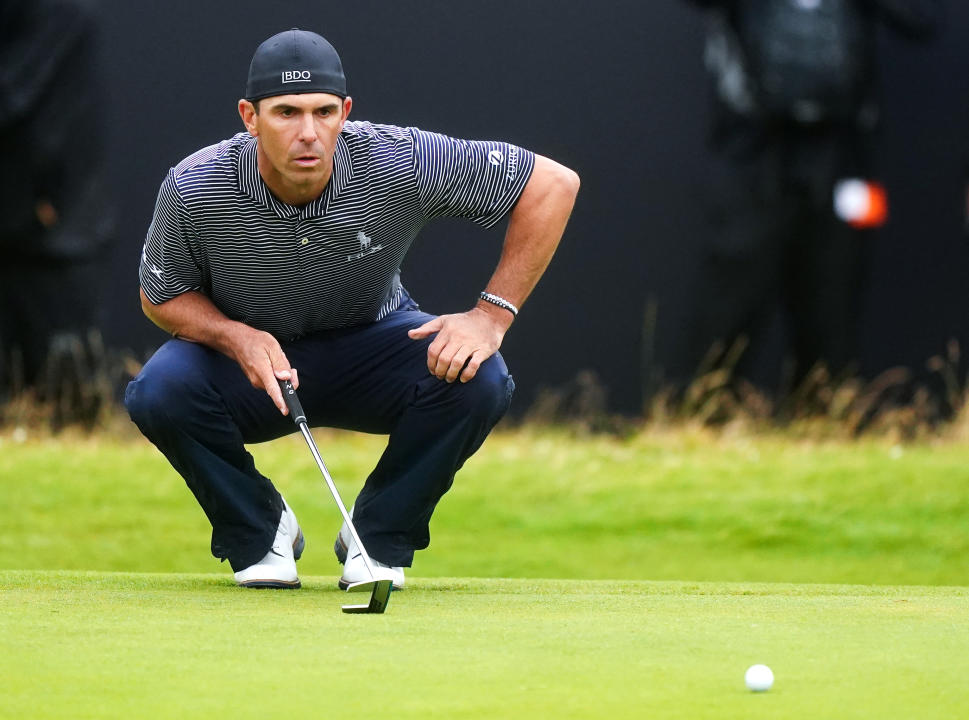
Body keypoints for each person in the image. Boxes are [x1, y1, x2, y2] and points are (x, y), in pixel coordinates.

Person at [124, 28, 580, 590]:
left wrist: (490, 316)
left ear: (345, 112)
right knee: (159, 391)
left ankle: (378, 538)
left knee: (480, 375)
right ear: (250, 116)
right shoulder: (197, 184)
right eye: (286, 112)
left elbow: (553, 185)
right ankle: (261, 532)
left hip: (374, 346)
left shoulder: (397, 159)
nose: (308, 133)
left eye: (322, 112)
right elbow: (160, 296)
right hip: (255, 368)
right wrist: (231, 335)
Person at [676, 0, 939, 397]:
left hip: (840, 160)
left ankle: (825, 421)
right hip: (754, 156)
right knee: (725, 311)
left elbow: (923, 20)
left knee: (832, 309)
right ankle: (696, 420)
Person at [0, 0, 115, 419]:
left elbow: (13, 95)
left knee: (70, 404)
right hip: (22, 228)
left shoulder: (61, 13)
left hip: (53, 236)